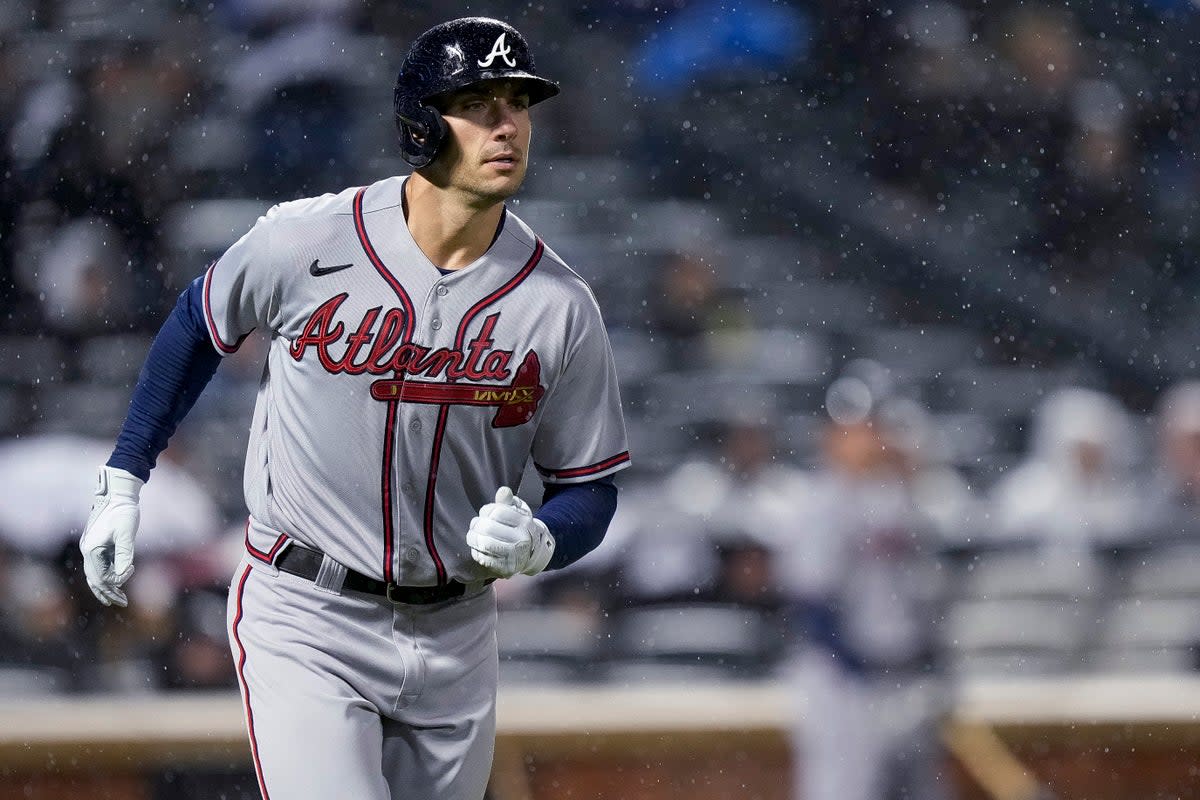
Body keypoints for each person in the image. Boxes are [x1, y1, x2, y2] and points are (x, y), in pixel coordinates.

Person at [78, 17, 629, 800]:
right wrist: (125, 476)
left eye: (519, 103)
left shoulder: (561, 304)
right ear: (419, 125)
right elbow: (197, 323)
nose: (507, 125)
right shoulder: (308, 239)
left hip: (458, 631)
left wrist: (543, 540)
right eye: (478, 103)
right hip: (310, 612)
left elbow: (593, 486)